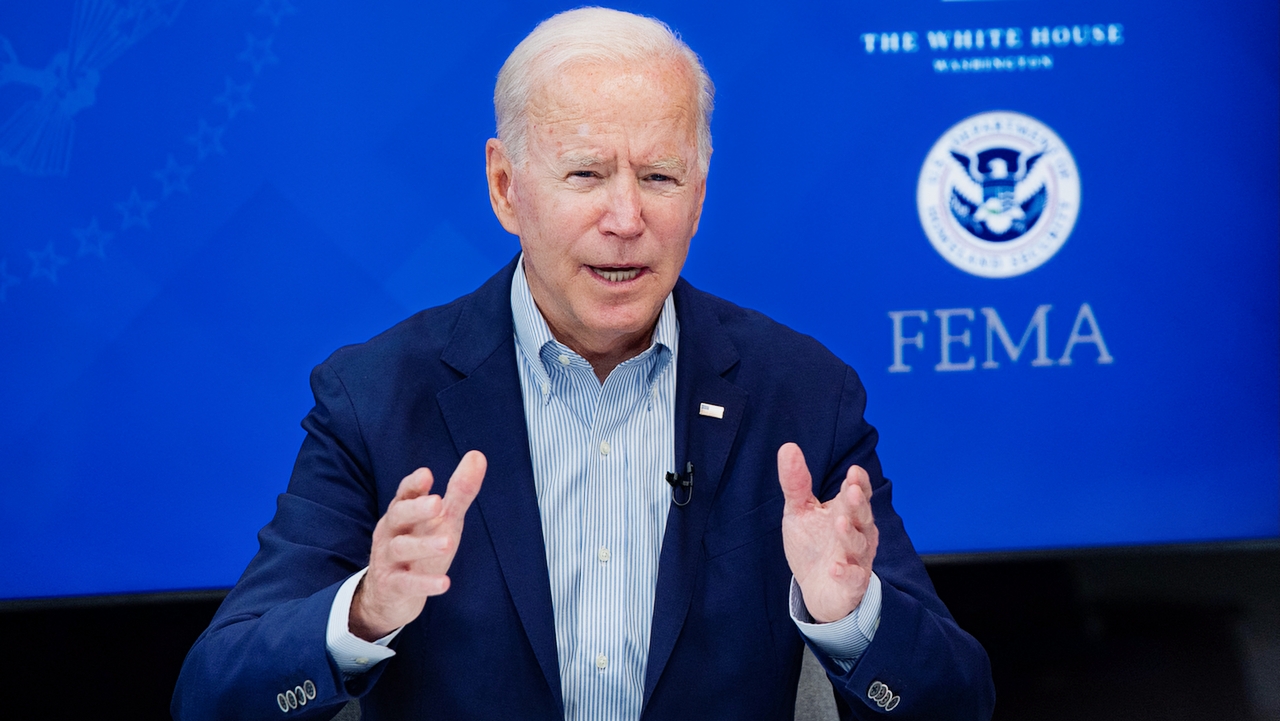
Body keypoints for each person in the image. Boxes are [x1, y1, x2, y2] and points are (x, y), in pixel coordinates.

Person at [173, 8, 994, 720]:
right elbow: (212, 695)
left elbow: (961, 699)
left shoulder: (802, 397)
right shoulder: (377, 399)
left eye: (660, 176)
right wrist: (364, 610)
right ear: (505, 187)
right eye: (587, 175)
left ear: (700, 195)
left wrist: (852, 616)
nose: (627, 217)